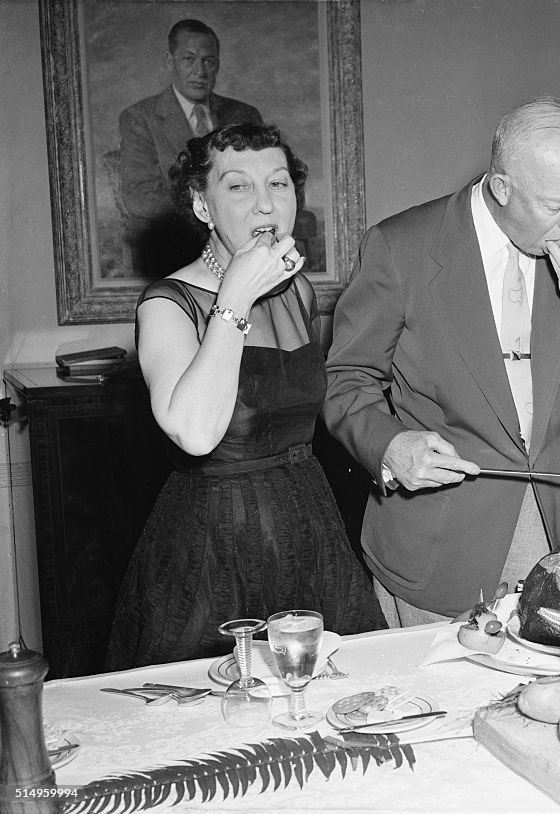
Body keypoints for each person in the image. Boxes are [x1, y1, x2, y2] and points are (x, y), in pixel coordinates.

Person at [324, 96, 560, 625]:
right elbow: (347, 380)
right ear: (501, 188)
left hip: (549, 534)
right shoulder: (402, 247)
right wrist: (389, 445)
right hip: (437, 545)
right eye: (556, 205)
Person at [106, 123, 384, 670]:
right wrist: (234, 292)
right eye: (238, 187)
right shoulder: (166, 304)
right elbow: (195, 431)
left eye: (279, 184)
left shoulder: (298, 290)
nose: (265, 205)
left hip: (309, 529)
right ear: (202, 206)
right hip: (213, 545)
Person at [118, 19, 263, 278]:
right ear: (170, 62)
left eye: (209, 61)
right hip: (175, 249)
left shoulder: (244, 115)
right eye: (189, 59)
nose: (200, 71)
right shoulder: (140, 118)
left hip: (241, 246)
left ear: (218, 64)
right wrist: (210, 214)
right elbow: (139, 196)